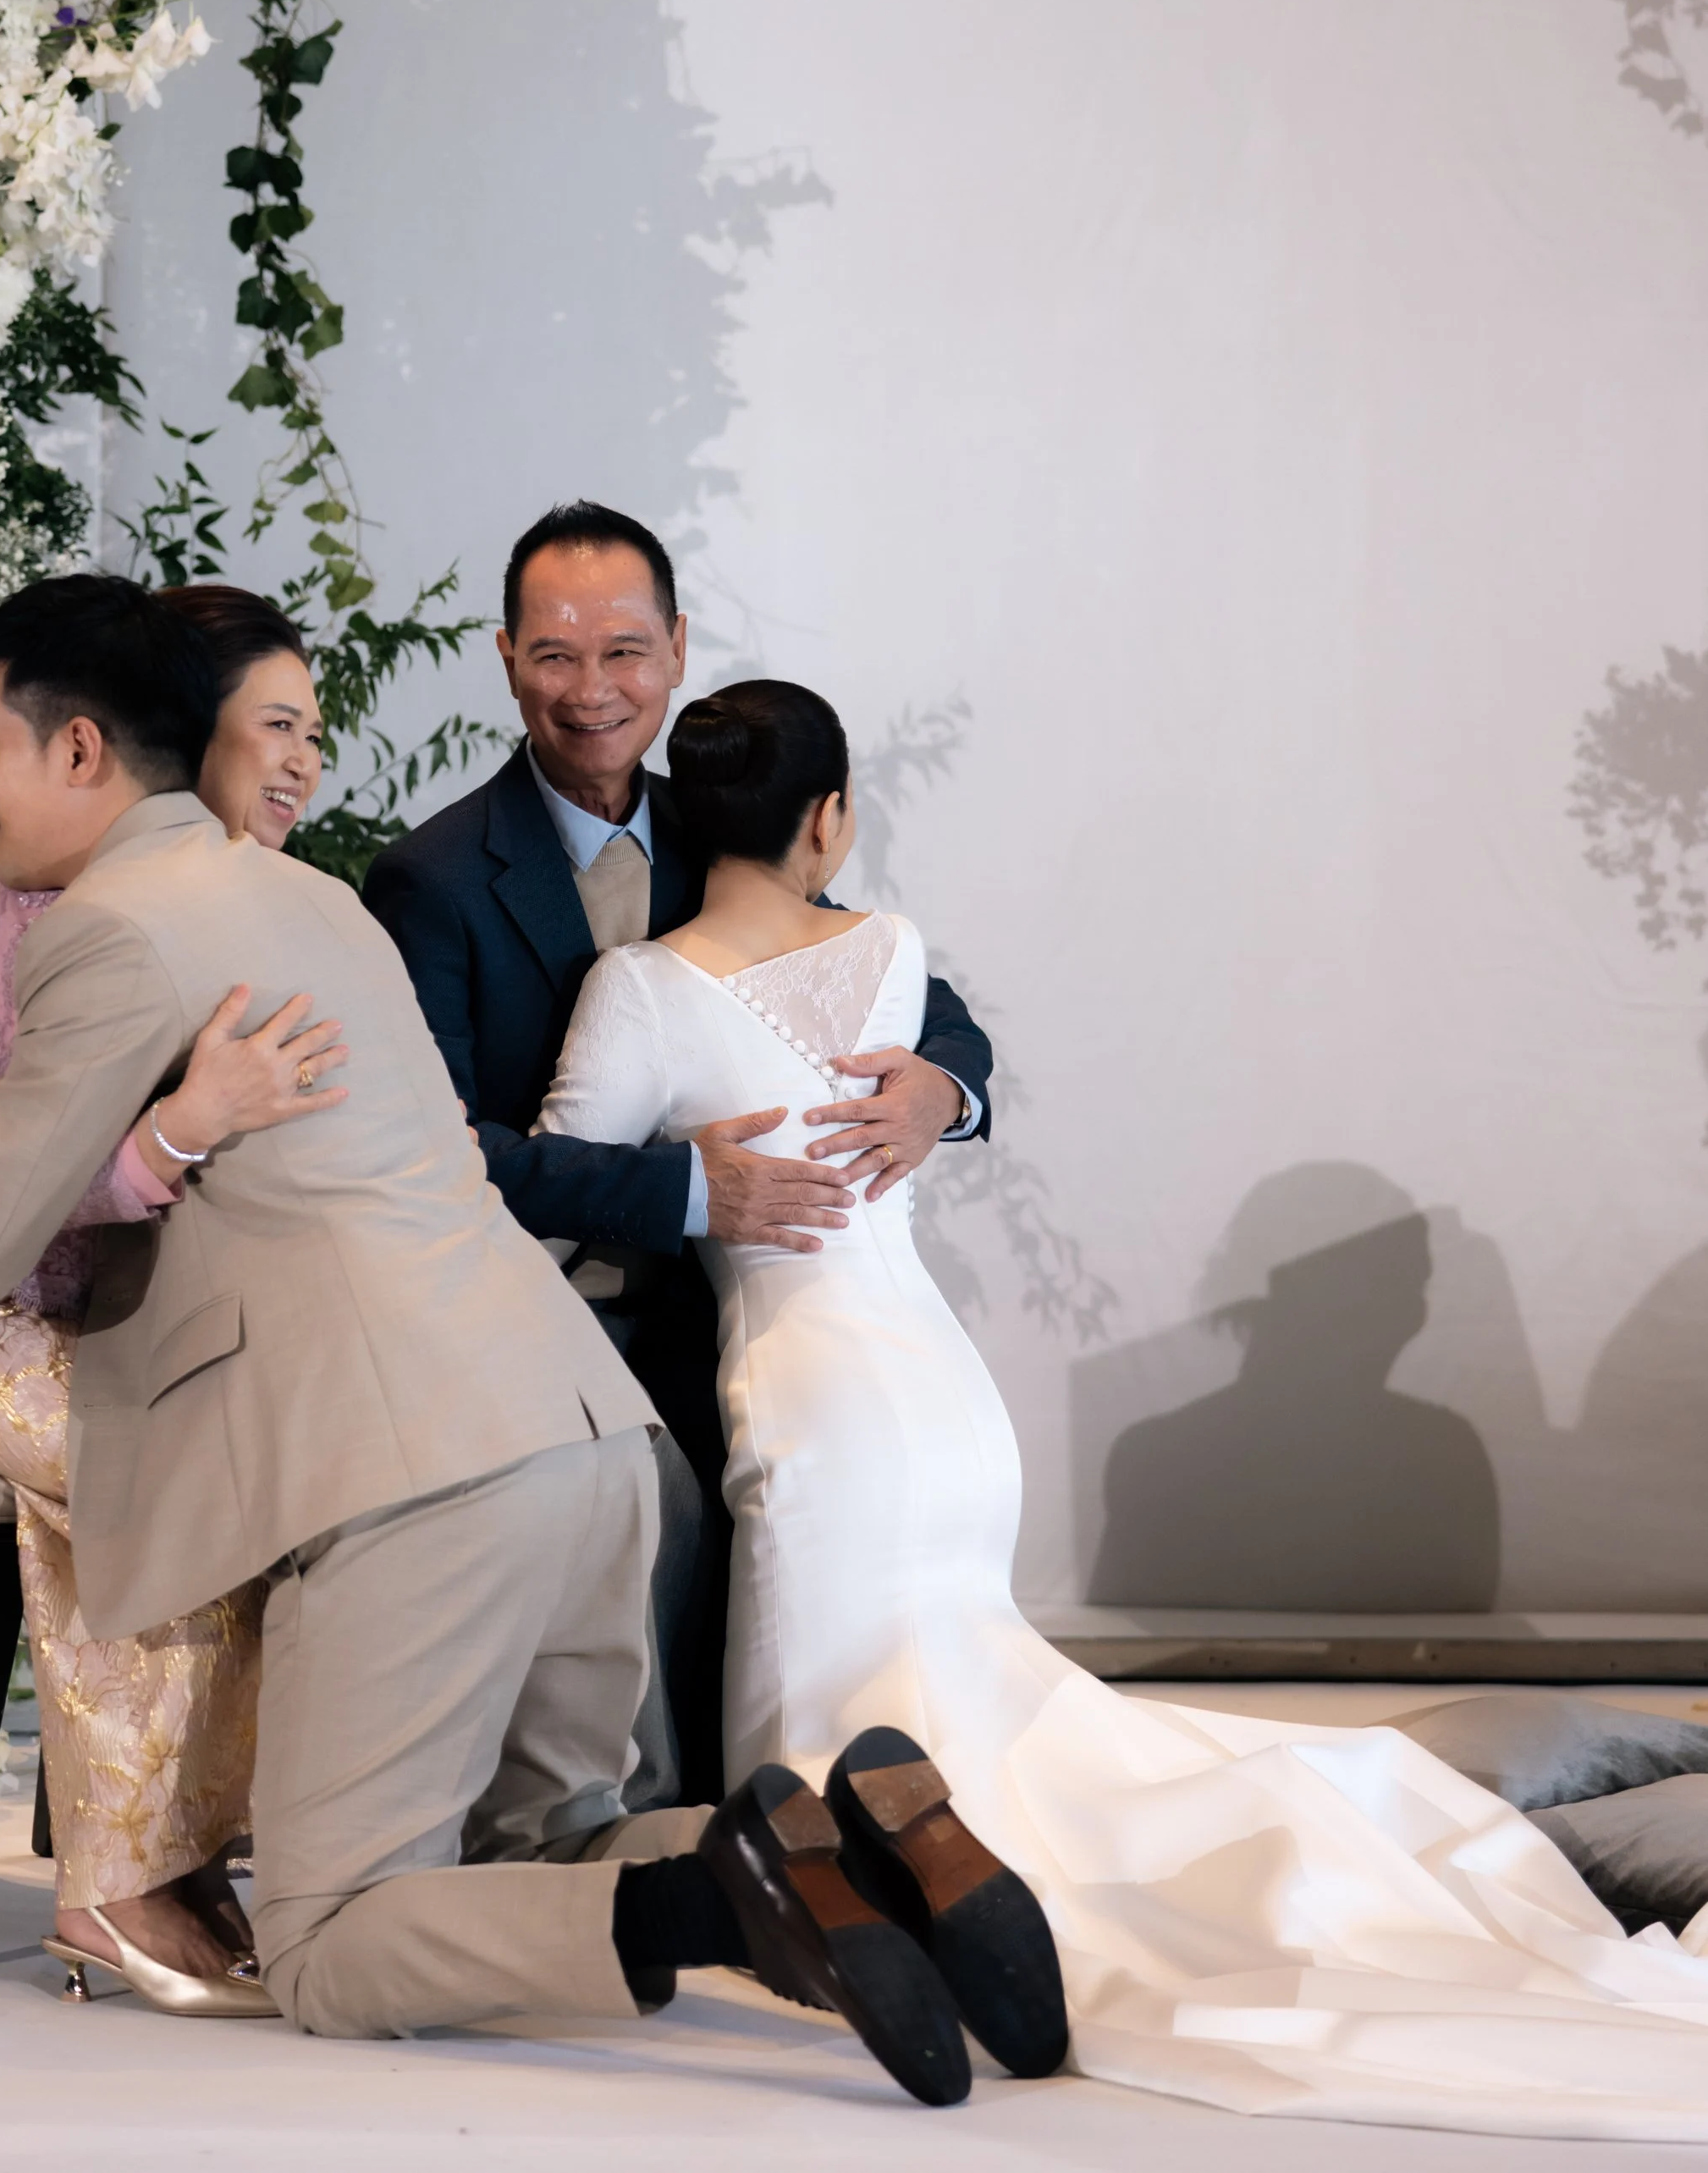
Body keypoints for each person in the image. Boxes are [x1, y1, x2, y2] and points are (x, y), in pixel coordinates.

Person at [0, 576, 1052, 2099]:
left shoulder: (104, 931)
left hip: (411, 1471)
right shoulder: (318, 900)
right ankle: (872, 1856)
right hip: (586, 1434)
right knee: (549, 1838)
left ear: (80, 750)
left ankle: (727, 1902)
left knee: (329, 1944)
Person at [537, 679, 1708, 2137]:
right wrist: (931, 1095)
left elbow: (544, 1183)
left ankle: (872, 1925)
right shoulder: (891, 953)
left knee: (827, 1734)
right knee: (962, 1702)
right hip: (946, 1398)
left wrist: (673, 1176)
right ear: (830, 819)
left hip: (817, 1398)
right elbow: (938, 1061)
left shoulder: (643, 991)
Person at [361, 499, 996, 1793]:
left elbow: (912, 1000)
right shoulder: (431, 881)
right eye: (556, 654)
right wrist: (689, 1188)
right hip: (565, 1317)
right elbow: (439, 1154)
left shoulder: (721, 817)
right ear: (505, 657)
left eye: (625, 652)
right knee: (680, 1510)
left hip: (747, 1313)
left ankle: (804, 1808)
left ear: (678, 650)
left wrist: (943, 1089)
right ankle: (650, 1829)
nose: (592, 690)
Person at [0, 582, 338, 2004]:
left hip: (80, 1313)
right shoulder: (35, 924)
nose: (296, 765)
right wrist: (180, 1133)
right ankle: (120, 1885)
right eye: (273, 729)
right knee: (139, 1455)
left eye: (310, 735)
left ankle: (181, 1858)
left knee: (221, 1442)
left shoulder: (225, 907)